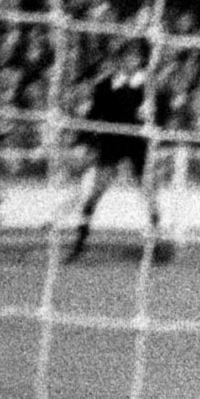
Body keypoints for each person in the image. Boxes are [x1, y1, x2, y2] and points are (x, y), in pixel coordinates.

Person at [66, 43, 165, 263]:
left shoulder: (148, 86)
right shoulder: (105, 86)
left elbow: (160, 114)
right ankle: (79, 244)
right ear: (119, 60)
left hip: (138, 145)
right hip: (111, 144)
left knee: (149, 194)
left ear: (140, 61)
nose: (132, 62)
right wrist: (82, 141)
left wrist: (155, 126)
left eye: (136, 58)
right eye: (128, 57)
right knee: (94, 194)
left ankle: (157, 244)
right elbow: (93, 116)